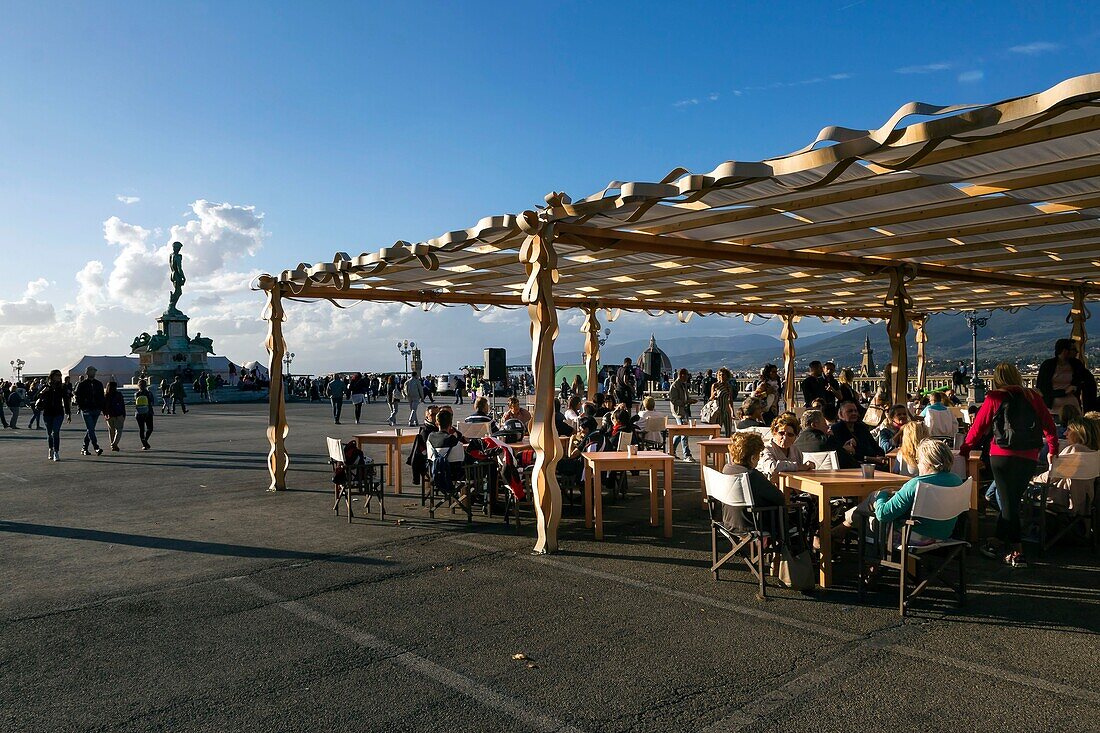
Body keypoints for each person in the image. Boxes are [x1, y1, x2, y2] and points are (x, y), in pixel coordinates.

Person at [961, 362, 1058, 568]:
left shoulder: (995, 397)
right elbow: (1049, 426)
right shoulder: (1034, 397)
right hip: (1029, 455)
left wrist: (965, 450)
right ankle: (996, 542)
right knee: (1011, 501)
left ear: (997, 378)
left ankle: (1017, 552)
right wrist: (1052, 449)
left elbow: (978, 428)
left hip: (1001, 455)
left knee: (1009, 503)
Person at [844, 439, 967, 567]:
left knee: (871, 517)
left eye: (918, 461)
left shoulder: (916, 484)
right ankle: (845, 524)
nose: (918, 465)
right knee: (871, 504)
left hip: (914, 537)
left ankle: (869, 566)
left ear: (927, 462)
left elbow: (882, 514)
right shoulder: (956, 481)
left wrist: (882, 494)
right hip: (943, 534)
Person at [719, 432, 788, 538]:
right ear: (752, 458)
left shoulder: (727, 469)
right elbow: (780, 498)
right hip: (752, 525)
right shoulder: (753, 475)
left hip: (729, 521)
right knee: (789, 512)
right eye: (759, 455)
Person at [1033, 416, 1099, 515]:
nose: (1065, 433)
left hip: (1063, 502)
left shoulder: (1074, 451)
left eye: (1069, 430)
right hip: (1084, 502)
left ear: (1079, 433)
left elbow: (1051, 477)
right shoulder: (1095, 452)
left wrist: (1033, 479)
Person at [1037, 338, 1097, 414]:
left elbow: (1089, 380)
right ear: (1065, 351)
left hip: (1073, 407)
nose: (1077, 352)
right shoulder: (1048, 365)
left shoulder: (1076, 364)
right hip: (1052, 408)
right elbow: (1042, 389)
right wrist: (1063, 392)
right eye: (1073, 349)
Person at [826, 400, 885, 469]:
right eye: (850, 411)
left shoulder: (862, 427)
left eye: (855, 411)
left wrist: (879, 455)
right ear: (841, 414)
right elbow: (846, 454)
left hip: (874, 462)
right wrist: (872, 459)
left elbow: (875, 445)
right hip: (855, 466)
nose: (854, 413)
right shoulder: (836, 429)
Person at [758, 415, 815, 481]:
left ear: (795, 437)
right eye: (781, 433)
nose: (785, 438)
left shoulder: (796, 451)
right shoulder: (765, 449)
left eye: (790, 435)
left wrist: (809, 466)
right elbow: (772, 468)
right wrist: (798, 467)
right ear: (774, 433)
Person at [39, 369, 71, 462]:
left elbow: (66, 400)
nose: (59, 377)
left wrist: (68, 413)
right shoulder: (45, 387)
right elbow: (35, 398)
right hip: (47, 413)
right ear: (52, 376)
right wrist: (43, 392)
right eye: (57, 375)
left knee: (55, 432)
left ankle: (56, 451)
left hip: (58, 413)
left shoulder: (62, 387)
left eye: (60, 375)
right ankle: (50, 449)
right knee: (49, 433)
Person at [75, 366, 105, 456]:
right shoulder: (82, 384)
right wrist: (82, 407)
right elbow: (77, 396)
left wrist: (101, 407)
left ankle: (84, 448)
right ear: (87, 372)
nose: (93, 372)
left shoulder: (98, 384)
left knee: (90, 430)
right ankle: (96, 447)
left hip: (96, 409)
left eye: (94, 371)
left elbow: (101, 396)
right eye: (91, 371)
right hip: (86, 409)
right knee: (91, 429)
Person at [667, 367, 696, 461]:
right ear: (682, 375)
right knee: (684, 433)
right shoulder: (675, 386)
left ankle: (671, 450)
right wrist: (686, 402)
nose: (688, 377)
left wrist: (689, 401)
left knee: (680, 433)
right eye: (687, 375)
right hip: (679, 412)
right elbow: (674, 400)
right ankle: (686, 454)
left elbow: (684, 397)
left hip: (685, 410)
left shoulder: (683, 385)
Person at [710, 367, 736, 437]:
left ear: (727, 376)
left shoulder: (729, 386)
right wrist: (714, 395)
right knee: (716, 432)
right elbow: (711, 399)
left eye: (723, 375)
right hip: (718, 411)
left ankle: (728, 447)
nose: (722, 376)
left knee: (729, 432)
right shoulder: (715, 385)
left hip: (726, 411)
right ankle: (712, 446)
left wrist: (732, 411)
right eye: (720, 375)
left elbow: (730, 400)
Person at [101, 380, 127, 451]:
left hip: (109, 415)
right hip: (118, 414)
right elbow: (122, 405)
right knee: (119, 430)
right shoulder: (118, 394)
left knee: (111, 431)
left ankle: (112, 444)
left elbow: (103, 407)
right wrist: (124, 414)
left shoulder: (105, 396)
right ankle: (114, 444)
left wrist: (105, 414)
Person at [134, 378, 154, 450]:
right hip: (148, 412)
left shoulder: (136, 394)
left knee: (141, 429)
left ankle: (144, 444)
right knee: (150, 428)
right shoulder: (149, 393)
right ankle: (145, 440)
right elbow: (152, 402)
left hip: (139, 413)